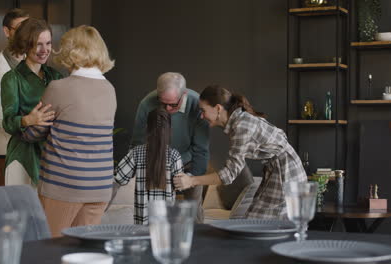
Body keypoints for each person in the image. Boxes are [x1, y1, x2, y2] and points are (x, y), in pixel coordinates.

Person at [21, 25, 116, 237]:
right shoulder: (110, 90)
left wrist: (26, 121)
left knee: (50, 248)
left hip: (64, 186)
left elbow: (33, 133)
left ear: (70, 51)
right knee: (81, 252)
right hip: (99, 187)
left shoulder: (59, 88)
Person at [174, 85, 307, 219]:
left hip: (286, 172)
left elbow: (229, 174)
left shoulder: (241, 126)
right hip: (277, 169)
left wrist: (191, 181)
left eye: (203, 111)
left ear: (218, 108)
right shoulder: (239, 120)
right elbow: (280, 136)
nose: (202, 116)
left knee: (257, 224)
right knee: (255, 221)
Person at [131, 72, 209, 222]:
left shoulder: (197, 105)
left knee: (193, 212)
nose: (167, 109)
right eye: (163, 103)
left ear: (183, 94)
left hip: (188, 164)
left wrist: (193, 178)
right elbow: (137, 141)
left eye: (173, 104)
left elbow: (201, 150)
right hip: (156, 162)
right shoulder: (147, 103)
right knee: (156, 213)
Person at [1, 18, 63, 187]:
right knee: (20, 213)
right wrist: (28, 120)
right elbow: (7, 122)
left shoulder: (55, 76)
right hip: (23, 157)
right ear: (25, 45)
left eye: (48, 43)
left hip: (51, 156)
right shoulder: (12, 78)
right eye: (38, 44)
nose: (45, 50)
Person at [0, 8, 29, 186]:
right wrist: (29, 127)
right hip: (3, 153)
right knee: (2, 209)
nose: (25, 34)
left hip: (28, 152)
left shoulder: (33, 64)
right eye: (19, 28)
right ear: (6, 31)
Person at [116, 107, 183, 225]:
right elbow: (180, 186)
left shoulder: (136, 153)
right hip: (165, 227)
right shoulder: (174, 156)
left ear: (147, 128)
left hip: (141, 226)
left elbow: (118, 178)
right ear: (170, 130)